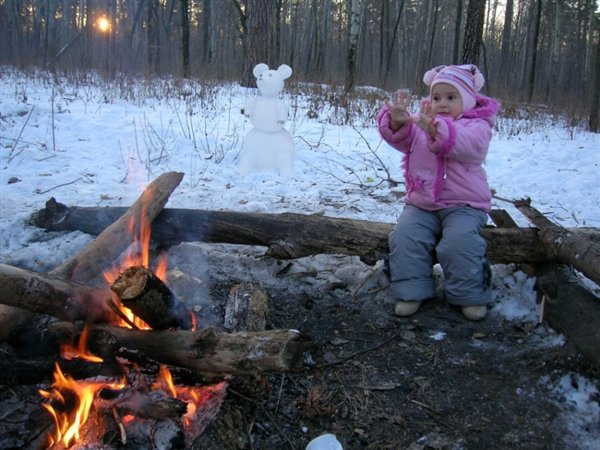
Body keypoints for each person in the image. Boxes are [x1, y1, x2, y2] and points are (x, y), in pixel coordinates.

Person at [377, 64, 500, 320]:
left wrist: (434, 129)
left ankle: (469, 293)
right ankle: (412, 290)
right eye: (436, 97)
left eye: (451, 97)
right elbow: (402, 138)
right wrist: (396, 122)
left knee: (459, 241)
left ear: (467, 100)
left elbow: (469, 147)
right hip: (423, 203)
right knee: (405, 235)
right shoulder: (423, 122)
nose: (442, 103)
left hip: (465, 205)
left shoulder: (478, 126)